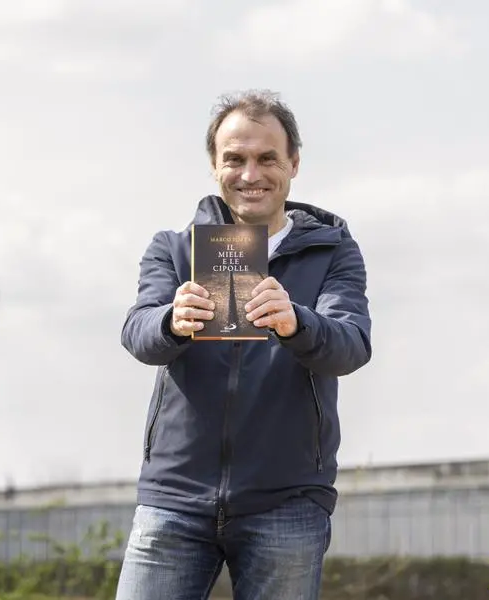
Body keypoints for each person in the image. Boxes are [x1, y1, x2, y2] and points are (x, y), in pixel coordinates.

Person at [115, 89, 373, 600]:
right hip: (175, 497)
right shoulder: (174, 248)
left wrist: (298, 323)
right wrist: (172, 321)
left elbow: (351, 344)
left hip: (288, 501)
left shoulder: (333, 250)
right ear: (214, 166)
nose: (250, 175)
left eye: (266, 159)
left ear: (293, 164)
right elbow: (138, 332)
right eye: (234, 159)